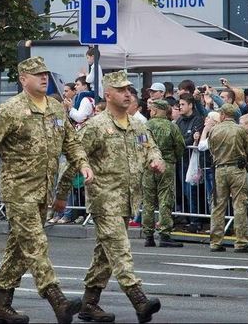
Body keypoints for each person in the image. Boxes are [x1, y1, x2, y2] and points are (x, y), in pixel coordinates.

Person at [0, 56, 93, 324]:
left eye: (45, 73)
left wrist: (82, 164)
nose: (43, 78)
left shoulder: (56, 108)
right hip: (18, 190)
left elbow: (72, 142)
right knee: (35, 244)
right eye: (37, 74)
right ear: (23, 79)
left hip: (43, 190)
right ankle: (58, 300)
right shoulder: (11, 110)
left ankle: (2, 307)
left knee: (19, 250)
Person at [75, 70, 165, 323]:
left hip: (128, 199)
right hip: (104, 199)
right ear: (108, 94)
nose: (128, 94)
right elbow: (76, 155)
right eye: (122, 90)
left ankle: (89, 304)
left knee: (104, 255)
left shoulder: (137, 123)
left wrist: (156, 160)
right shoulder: (96, 126)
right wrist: (61, 194)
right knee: (120, 249)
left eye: (129, 90)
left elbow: (151, 148)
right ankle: (139, 300)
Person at [204, 104, 248, 253]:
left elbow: (210, 149)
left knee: (218, 205)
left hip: (219, 169)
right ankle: (241, 241)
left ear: (223, 115)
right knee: (240, 204)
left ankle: (215, 241)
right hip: (237, 169)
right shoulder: (240, 130)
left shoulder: (214, 130)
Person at [142, 100, 185, 247]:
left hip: (148, 165)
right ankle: (165, 233)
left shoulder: (145, 126)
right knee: (165, 199)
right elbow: (180, 145)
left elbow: (140, 145)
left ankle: (148, 235)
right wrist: (173, 158)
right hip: (166, 164)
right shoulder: (171, 127)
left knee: (148, 200)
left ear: (155, 111)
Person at [176, 93, 204, 232]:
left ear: (190, 105)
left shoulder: (198, 120)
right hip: (181, 161)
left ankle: (195, 220)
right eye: (179, 105)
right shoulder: (180, 121)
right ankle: (187, 218)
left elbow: (188, 141)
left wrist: (181, 142)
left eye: (182, 104)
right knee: (184, 192)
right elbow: (177, 138)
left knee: (192, 191)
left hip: (192, 162)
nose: (180, 107)